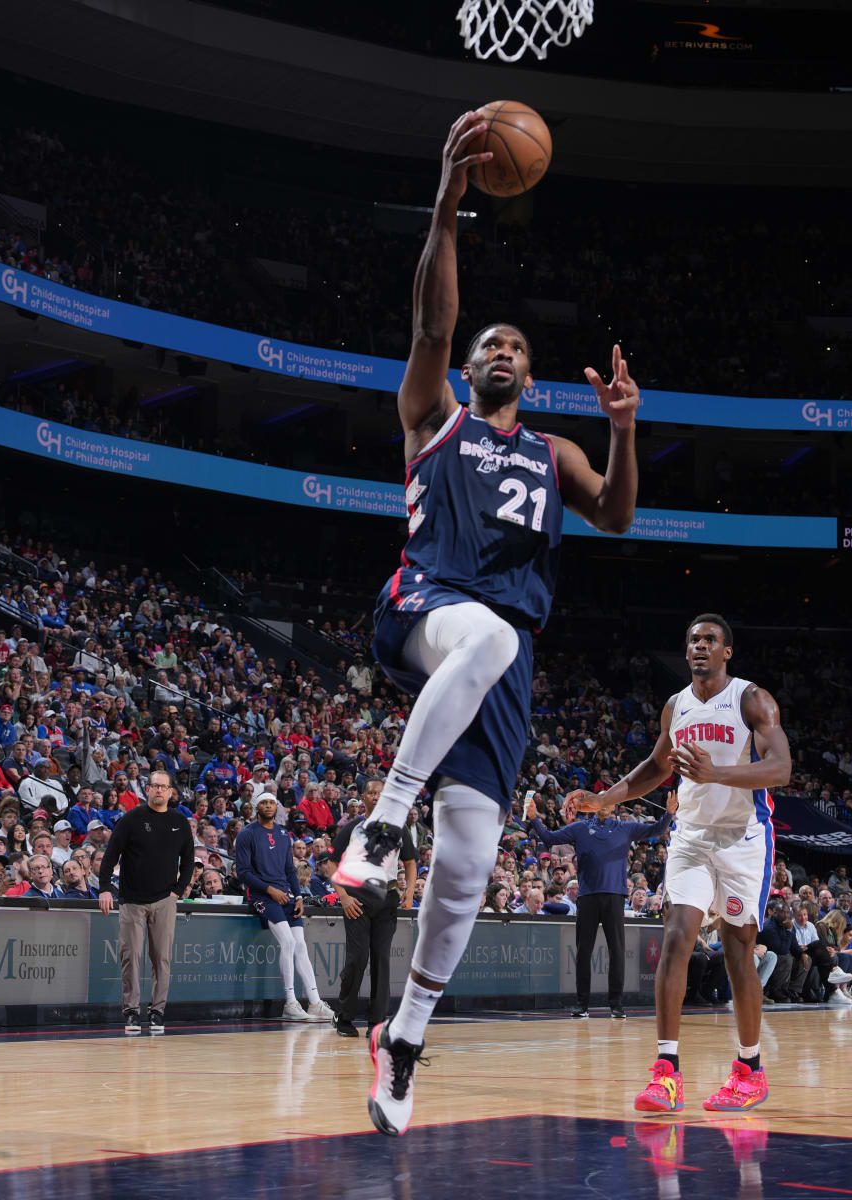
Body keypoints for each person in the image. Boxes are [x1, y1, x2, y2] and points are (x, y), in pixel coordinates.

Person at [333, 112, 640, 1139]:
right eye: (487, 344)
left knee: (468, 863)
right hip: (425, 608)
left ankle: (404, 1041)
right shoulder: (435, 418)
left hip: (500, 665)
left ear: (531, 376)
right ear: (468, 368)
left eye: (516, 345)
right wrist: (445, 212)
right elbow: (430, 327)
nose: (500, 350)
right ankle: (382, 824)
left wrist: (623, 428)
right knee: (488, 636)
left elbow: (617, 515)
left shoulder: (555, 453)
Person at [573, 614, 788, 1115]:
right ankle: (666, 1073)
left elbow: (781, 768)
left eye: (710, 640)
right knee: (676, 938)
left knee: (738, 953)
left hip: (742, 838)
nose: (700, 646)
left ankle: (750, 1071)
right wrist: (604, 800)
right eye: (693, 640)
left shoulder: (752, 700)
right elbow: (657, 766)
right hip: (691, 836)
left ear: (727, 651)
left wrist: (717, 773)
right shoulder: (677, 705)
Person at [524, 790, 671, 1018]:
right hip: (588, 896)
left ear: (614, 806)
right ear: (593, 804)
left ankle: (616, 1004)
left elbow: (657, 829)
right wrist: (534, 818)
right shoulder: (580, 828)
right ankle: (582, 1004)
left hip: (614, 897)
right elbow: (550, 838)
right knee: (583, 952)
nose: (604, 802)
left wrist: (669, 813)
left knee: (617, 951)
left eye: (609, 799)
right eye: (600, 798)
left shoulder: (625, 827)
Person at [97, 769, 196, 1035]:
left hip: (165, 900)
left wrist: (178, 891)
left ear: (171, 792)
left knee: (162, 958)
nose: (159, 790)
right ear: (148, 789)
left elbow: (188, 860)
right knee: (130, 957)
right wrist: (104, 888)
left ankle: (157, 1012)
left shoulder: (180, 822)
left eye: (164, 786)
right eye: (155, 786)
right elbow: (110, 855)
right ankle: (131, 1012)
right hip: (132, 900)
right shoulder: (131, 819)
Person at [330, 781, 421, 1038]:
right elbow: (332, 862)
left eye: (380, 794)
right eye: (371, 793)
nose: (376, 797)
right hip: (357, 897)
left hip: (387, 897)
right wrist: (343, 897)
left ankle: (377, 1021)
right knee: (357, 958)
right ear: (363, 797)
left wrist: (409, 891)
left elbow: (410, 862)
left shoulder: (398, 828)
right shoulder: (352, 828)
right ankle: (344, 1016)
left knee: (381, 959)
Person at [235, 795, 333, 1026]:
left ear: (276, 807)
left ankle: (315, 1003)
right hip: (262, 896)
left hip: (286, 895)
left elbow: (290, 869)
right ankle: (290, 1003)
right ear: (256, 807)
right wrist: (270, 890)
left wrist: (298, 896)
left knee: (301, 945)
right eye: (264, 803)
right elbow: (243, 873)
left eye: (272, 803)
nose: (268, 806)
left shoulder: (283, 834)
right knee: (288, 942)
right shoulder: (247, 834)